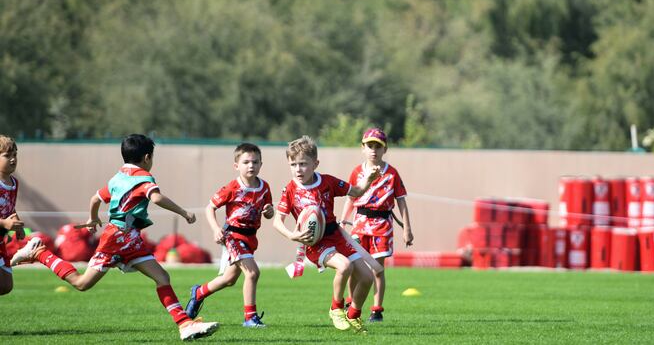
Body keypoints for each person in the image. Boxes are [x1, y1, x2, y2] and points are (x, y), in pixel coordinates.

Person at [10, 134, 218, 341]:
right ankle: (40, 253)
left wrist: (92, 219)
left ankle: (184, 324)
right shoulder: (143, 178)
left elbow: (95, 198)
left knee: (162, 277)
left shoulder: (117, 178)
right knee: (82, 283)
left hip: (129, 238)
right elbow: (156, 197)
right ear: (147, 157)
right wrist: (183, 212)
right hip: (117, 239)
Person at [273, 135, 381, 333]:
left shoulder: (328, 182)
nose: (298, 169)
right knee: (345, 266)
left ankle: (353, 315)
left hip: (336, 236)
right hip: (315, 243)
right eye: (293, 164)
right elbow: (277, 221)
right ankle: (336, 308)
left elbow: (356, 191)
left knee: (367, 277)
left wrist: (369, 179)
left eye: (303, 164)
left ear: (316, 163)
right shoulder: (290, 189)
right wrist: (292, 235)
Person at [185, 142, 274, 328]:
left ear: (261, 165)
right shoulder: (232, 187)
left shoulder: (264, 187)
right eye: (246, 162)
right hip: (233, 235)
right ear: (237, 166)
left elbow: (269, 212)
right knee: (253, 273)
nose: (251, 165)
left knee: (229, 279)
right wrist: (216, 229)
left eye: (255, 162)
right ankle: (250, 317)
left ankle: (199, 293)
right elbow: (210, 208)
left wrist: (268, 211)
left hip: (250, 237)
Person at [340, 127, 413, 322]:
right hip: (359, 223)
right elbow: (350, 198)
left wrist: (407, 229)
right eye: (369, 146)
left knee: (377, 268)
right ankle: (351, 303)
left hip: (382, 225)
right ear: (362, 148)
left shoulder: (392, 174)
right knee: (355, 266)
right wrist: (343, 221)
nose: (373, 150)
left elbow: (401, 201)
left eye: (378, 146)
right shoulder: (357, 172)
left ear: (385, 149)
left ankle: (376, 309)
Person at [0, 135, 25, 295]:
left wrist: (17, 225)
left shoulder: (14, 182)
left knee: (6, 285)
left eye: (15, 154)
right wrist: (3, 224)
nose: (12, 159)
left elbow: (10, 207)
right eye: (7, 156)